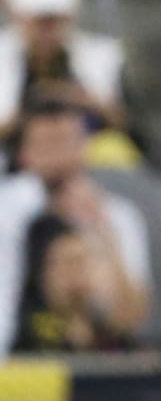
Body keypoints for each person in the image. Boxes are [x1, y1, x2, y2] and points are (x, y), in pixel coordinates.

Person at [7, 100, 151, 340]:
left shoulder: (118, 214)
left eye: (65, 141)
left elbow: (131, 316)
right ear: (24, 153)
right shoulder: (6, 209)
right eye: (46, 144)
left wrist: (103, 233)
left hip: (93, 357)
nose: (57, 155)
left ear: (85, 145)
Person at [0, 0, 144, 163]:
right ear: (19, 18)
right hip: (14, 161)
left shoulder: (100, 58)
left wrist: (81, 99)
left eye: (56, 21)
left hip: (85, 159)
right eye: (40, 22)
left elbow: (132, 128)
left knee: (115, 152)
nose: (48, 31)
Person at [11, 214, 133, 351]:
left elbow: (128, 317)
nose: (80, 271)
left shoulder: (102, 319)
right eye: (70, 263)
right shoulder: (35, 325)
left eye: (83, 262)